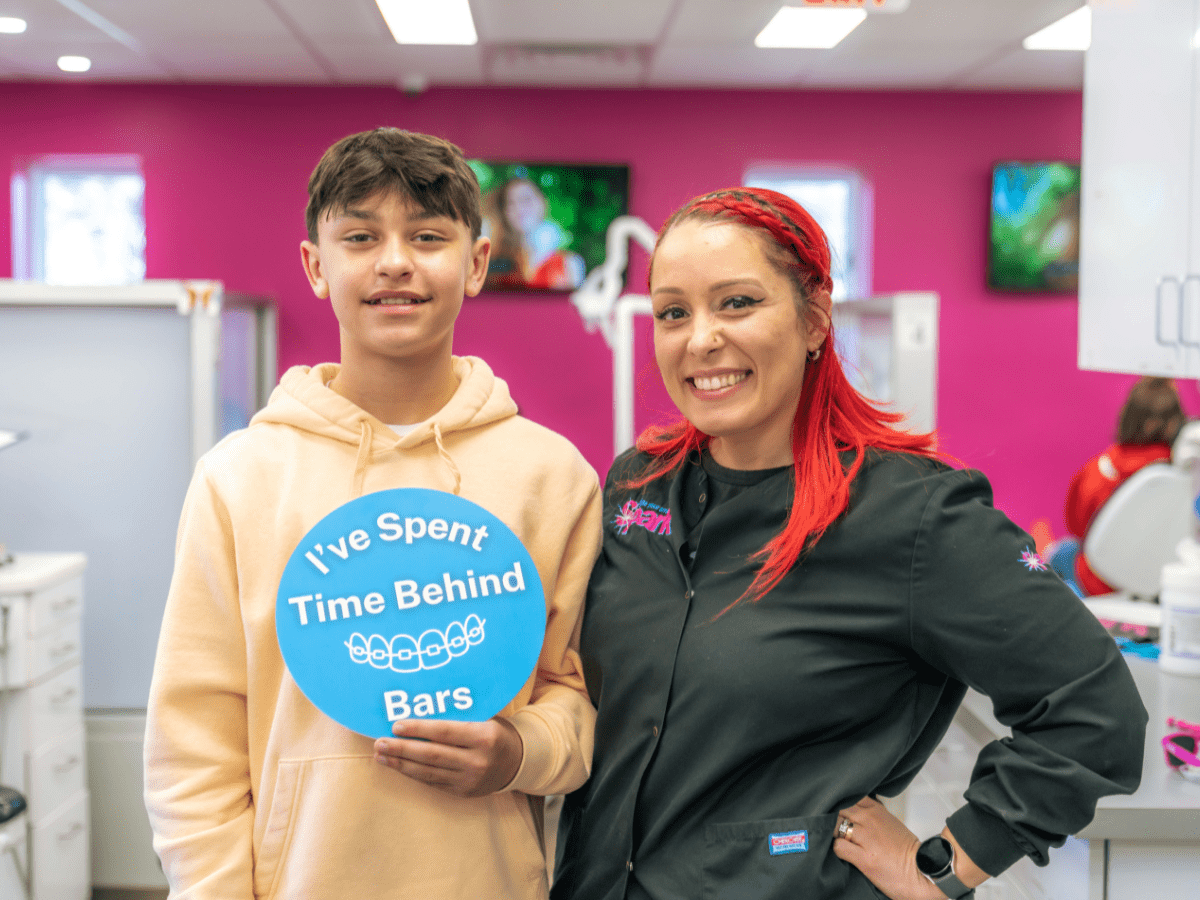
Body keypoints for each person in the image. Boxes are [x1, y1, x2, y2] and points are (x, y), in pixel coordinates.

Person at [551, 187, 1147, 900]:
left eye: (737, 303)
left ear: (815, 319)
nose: (700, 337)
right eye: (674, 312)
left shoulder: (913, 514)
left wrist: (947, 862)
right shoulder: (638, 486)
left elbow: (1094, 710)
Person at [144, 128, 602, 899]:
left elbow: (580, 694)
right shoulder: (238, 478)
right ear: (317, 267)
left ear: (478, 263)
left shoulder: (551, 476)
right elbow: (195, 741)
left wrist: (518, 750)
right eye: (361, 237)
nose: (395, 261)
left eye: (428, 236)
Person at [1065, 376, 1186, 595]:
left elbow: (1076, 527)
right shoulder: (1183, 477)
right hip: (1161, 585)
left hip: (1099, 582)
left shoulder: (1098, 470)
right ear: (1174, 423)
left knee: (1061, 552)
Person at [486, 177, 586, 290]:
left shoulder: (569, 263)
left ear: (542, 203)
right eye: (511, 203)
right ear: (504, 213)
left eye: (526, 199)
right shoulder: (496, 264)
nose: (519, 208)